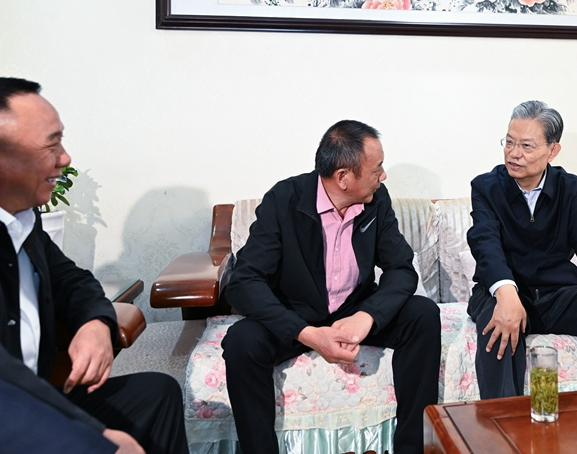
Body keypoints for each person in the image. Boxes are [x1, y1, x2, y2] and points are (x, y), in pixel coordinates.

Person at [223, 120, 440, 454]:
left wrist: (367, 316)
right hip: (295, 314)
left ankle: (413, 449)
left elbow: (401, 269)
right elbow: (244, 281)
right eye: (377, 169)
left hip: (353, 309)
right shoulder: (284, 199)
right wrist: (306, 334)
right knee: (242, 341)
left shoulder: (376, 200)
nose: (383, 176)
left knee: (422, 314)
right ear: (343, 177)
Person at [0, 77, 188, 454]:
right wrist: (93, 435)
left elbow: (72, 280)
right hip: (11, 412)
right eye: (51, 145)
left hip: (38, 399)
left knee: (157, 394)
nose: (65, 158)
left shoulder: (24, 221)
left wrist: (96, 322)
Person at [466, 100, 577, 399]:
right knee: (498, 323)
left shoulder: (569, 188)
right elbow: (485, 243)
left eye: (526, 146)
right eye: (509, 142)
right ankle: (503, 423)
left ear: (552, 150)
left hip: (558, 295)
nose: (514, 153)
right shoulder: (486, 187)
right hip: (506, 292)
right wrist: (506, 293)